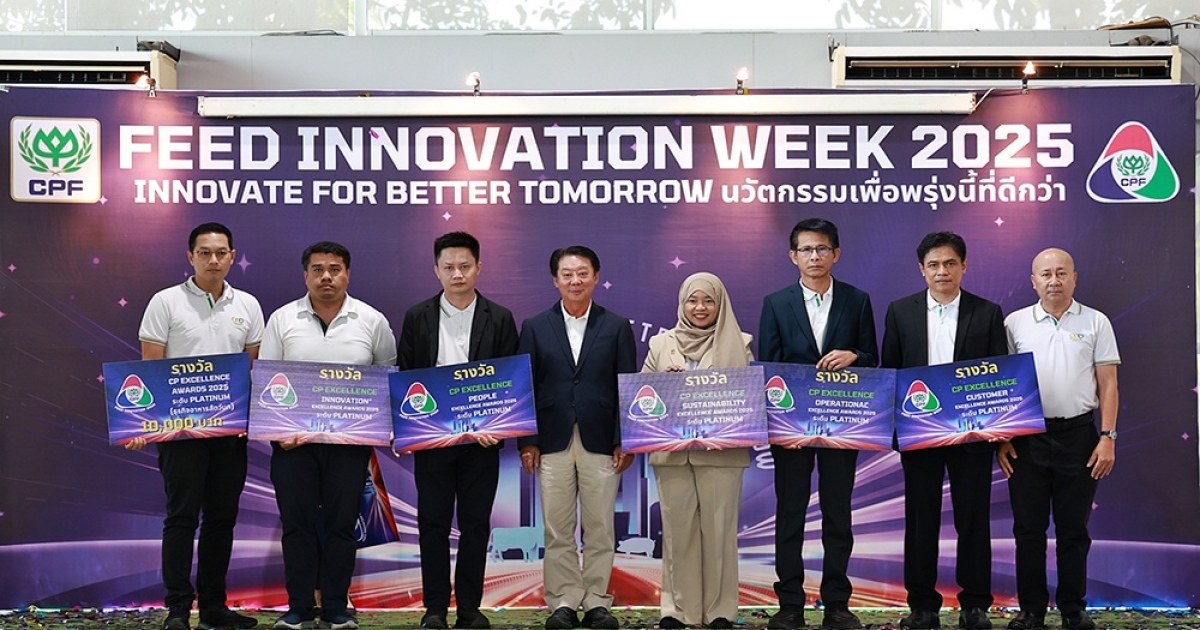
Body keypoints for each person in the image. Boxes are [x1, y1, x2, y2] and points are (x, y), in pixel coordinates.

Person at [259, 241, 397, 630]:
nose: (326, 277)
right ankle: (300, 607)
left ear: (347, 274)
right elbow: (267, 381)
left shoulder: (372, 321)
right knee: (297, 526)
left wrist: (377, 427)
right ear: (305, 275)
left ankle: (336, 605)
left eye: (334, 269)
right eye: (318, 269)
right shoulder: (282, 319)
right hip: (293, 446)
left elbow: (386, 382)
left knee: (342, 526)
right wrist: (278, 433)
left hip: (349, 448)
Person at [135, 222, 263, 630]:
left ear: (232, 257)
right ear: (190, 257)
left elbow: (252, 370)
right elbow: (151, 367)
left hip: (229, 434)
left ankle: (213, 608)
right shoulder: (165, 302)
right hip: (181, 433)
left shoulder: (248, 305)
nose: (213, 260)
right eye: (204, 252)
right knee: (181, 518)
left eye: (221, 253)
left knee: (222, 519)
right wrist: (144, 423)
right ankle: (177, 608)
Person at [880, 232, 1006, 630]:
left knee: (973, 519)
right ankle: (922, 606)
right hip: (918, 434)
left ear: (964, 266)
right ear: (921, 269)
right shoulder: (900, 312)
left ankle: (975, 605)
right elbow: (891, 371)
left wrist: (997, 432)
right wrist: (895, 431)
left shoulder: (987, 313)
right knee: (921, 521)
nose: (942, 271)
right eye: (933, 265)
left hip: (972, 435)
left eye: (950, 263)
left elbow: (999, 375)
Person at [758, 218, 877, 630]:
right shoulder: (776, 303)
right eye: (806, 250)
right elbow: (769, 369)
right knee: (790, 513)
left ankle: (837, 604)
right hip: (790, 429)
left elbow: (873, 358)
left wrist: (855, 356)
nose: (814, 257)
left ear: (836, 254)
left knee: (838, 514)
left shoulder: (857, 300)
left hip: (842, 422)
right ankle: (790, 603)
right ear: (793, 256)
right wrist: (780, 423)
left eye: (822, 249)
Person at [397, 232, 519, 630]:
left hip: (481, 443)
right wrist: (411, 429)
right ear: (436, 270)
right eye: (448, 267)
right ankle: (434, 609)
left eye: (465, 266)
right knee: (432, 525)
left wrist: (498, 425)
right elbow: (407, 375)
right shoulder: (417, 316)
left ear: (479, 267)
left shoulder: (499, 317)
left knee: (475, 525)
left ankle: (469, 608)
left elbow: (510, 379)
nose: (457, 274)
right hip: (432, 441)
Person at [516, 246, 637, 630]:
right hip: (551, 440)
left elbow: (627, 386)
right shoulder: (535, 326)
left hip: (601, 439)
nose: (575, 281)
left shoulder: (616, 326)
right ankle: (564, 601)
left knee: (601, 527)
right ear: (555, 280)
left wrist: (624, 439)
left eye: (582, 273)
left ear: (596, 277)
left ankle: (597, 601)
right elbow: (525, 386)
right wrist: (528, 440)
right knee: (557, 528)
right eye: (567, 274)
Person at [998, 248, 1119, 630]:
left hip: (1080, 436)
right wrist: (1002, 438)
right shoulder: (1015, 323)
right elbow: (1002, 385)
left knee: (1073, 530)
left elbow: (1109, 384)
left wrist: (1108, 436)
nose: (1054, 281)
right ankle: (1031, 609)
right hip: (1026, 437)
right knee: (1028, 530)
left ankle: (1072, 609)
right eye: (1046, 274)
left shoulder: (1096, 321)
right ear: (1033, 281)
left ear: (1074, 278)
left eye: (1062, 273)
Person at [644, 272, 753, 630]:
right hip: (672, 455)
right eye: (693, 300)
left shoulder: (741, 342)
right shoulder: (660, 345)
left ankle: (720, 611)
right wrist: (665, 382)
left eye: (708, 300)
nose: (700, 307)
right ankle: (678, 611)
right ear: (682, 304)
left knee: (720, 533)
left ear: (720, 305)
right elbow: (642, 398)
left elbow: (746, 398)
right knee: (677, 536)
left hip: (722, 454)